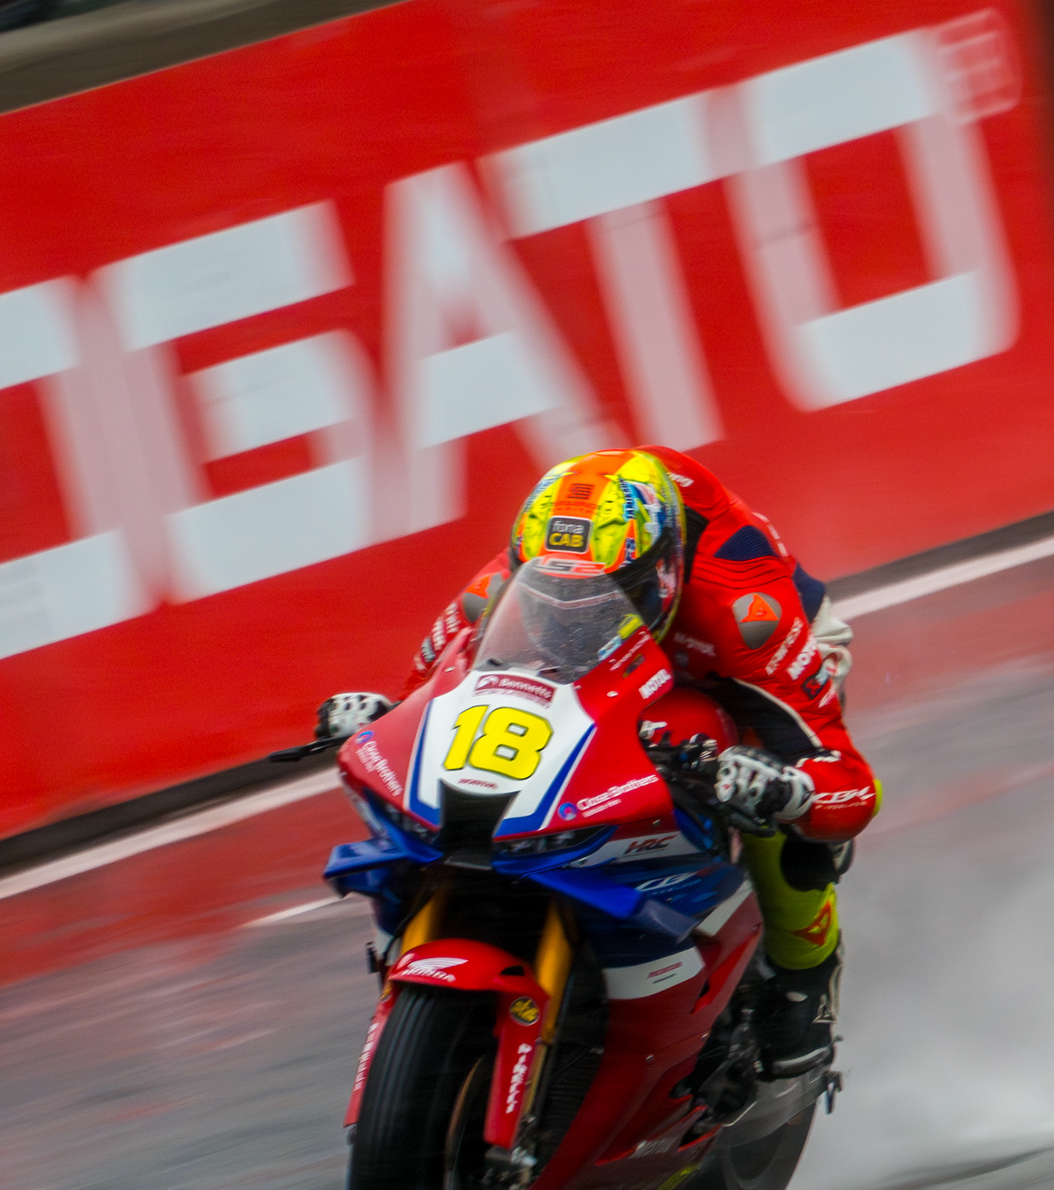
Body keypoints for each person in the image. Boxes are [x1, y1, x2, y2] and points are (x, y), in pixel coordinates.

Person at [314, 448, 876, 1078]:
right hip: (618, 664)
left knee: (777, 808)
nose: (572, 624)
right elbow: (425, 702)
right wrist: (384, 716)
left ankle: (807, 982)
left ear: (662, 573)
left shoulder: (748, 615)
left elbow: (849, 783)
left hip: (745, 660)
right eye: (552, 599)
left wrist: (791, 791)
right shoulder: (510, 578)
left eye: (607, 601)